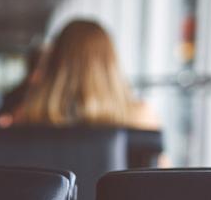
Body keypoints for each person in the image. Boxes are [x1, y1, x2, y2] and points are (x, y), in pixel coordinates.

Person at [13, 19, 160, 130]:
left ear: (54, 64)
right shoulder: (141, 118)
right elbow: (160, 169)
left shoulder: (26, 117)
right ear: (110, 64)